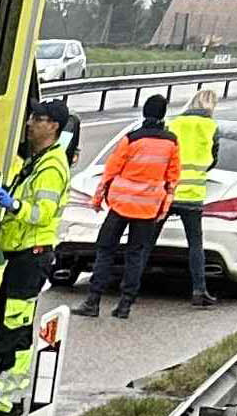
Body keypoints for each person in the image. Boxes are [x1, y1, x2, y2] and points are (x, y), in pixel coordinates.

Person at [0, 99, 75, 416]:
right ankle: (7, 395)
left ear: (53, 126)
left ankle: (8, 400)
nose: (30, 124)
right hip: (23, 256)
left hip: (33, 256)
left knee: (16, 330)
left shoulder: (53, 166)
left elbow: (41, 213)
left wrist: (13, 205)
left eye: (37, 119)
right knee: (12, 326)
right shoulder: (38, 160)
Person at [75, 93, 181, 320]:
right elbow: (172, 178)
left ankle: (93, 301)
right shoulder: (171, 142)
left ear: (144, 112)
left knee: (105, 251)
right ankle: (125, 305)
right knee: (136, 256)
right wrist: (163, 208)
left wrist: (97, 199)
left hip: (121, 205)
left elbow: (111, 171)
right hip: (148, 209)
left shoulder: (131, 139)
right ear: (163, 114)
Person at [170, 86, 222, 306]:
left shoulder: (174, 123)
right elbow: (213, 159)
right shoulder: (212, 127)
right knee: (195, 245)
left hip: (169, 191)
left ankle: (130, 289)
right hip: (193, 195)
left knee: (146, 242)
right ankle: (199, 291)